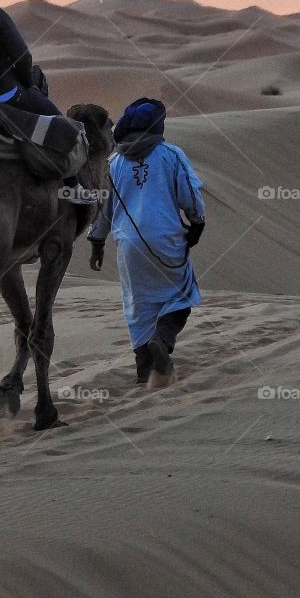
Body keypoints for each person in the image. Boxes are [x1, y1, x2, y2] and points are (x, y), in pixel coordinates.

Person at [87, 97, 205, 383]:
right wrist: (196, 225)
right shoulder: (171, 155)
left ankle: (145, 375)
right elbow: (190, 195)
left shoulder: (113, 163)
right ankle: (162, 341)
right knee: (180, 297)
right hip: (167, 240)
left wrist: (97, 243)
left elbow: (104, 208)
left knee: (138, 307)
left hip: (128, 246)